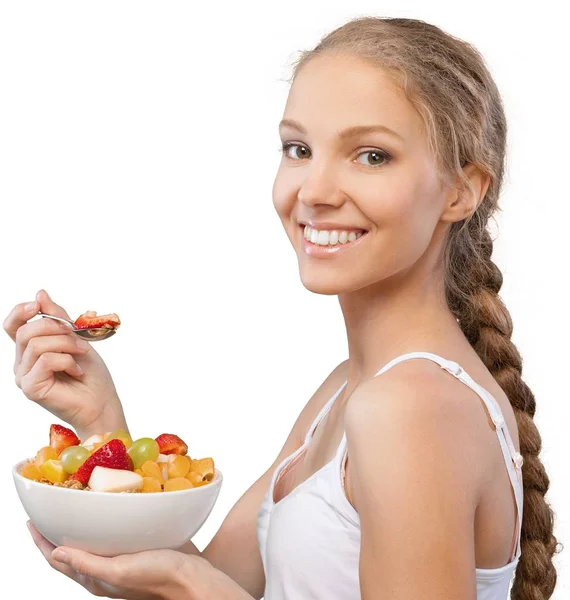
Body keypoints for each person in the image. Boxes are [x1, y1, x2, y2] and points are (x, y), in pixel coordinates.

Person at [4, 15, 560, 600]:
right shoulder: (348, 389)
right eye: (299, 148)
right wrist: (101, 427)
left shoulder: (410, 409)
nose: (314, 191)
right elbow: (219, 580)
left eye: (371, 156)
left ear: (461, 191)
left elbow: (205, 589)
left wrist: (197, 588)